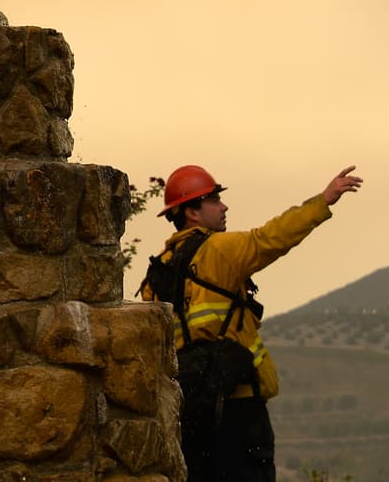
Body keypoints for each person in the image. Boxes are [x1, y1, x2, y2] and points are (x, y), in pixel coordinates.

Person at [141, 164, 364, 482]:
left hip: (187, 412)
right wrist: (323, 201)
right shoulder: (219, 250)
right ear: (192, 212)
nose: (224, 206)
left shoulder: (157, 272)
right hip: (240, 407)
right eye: (214, 200)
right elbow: (272, 238)